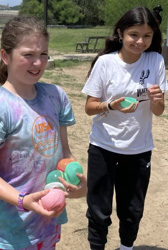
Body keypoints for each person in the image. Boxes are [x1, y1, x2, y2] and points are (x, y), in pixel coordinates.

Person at [0, 16, 87, 250]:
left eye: (43, 54)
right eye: (28, 55)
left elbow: (64, 154)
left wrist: (75, 180)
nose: (38, 63)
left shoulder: (56, 97)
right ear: (5, 56)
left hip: (48, 221)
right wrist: (23, 200)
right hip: (12, 231)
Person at [82, 6, 167, 250]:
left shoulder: (156, 60)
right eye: (134, 34)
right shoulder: (105, 63)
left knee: (132, 209)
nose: (140, 41)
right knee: (99, 208)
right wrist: (111, 105)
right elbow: (89, 107)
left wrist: (157, 101)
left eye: (147, 36)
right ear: (121, 33)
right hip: (103, 146)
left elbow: (158, 111)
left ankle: (126, 247)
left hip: (139, 148)